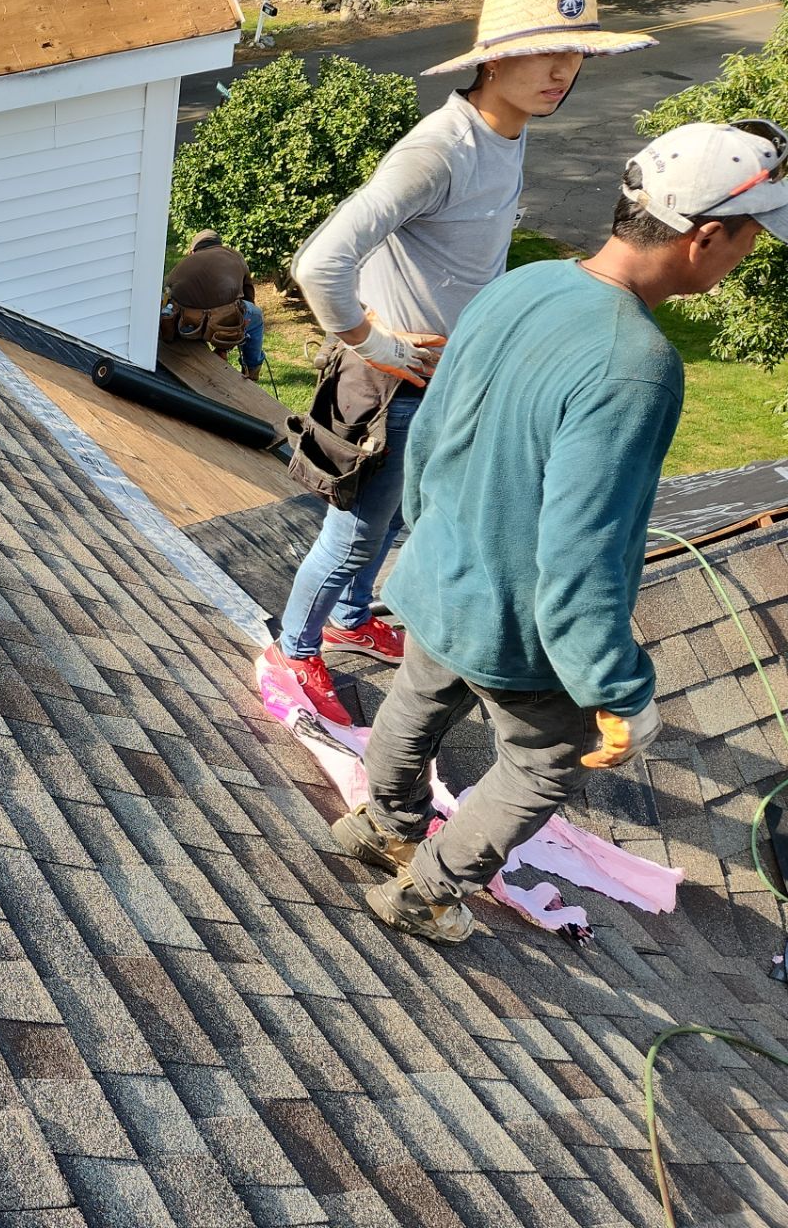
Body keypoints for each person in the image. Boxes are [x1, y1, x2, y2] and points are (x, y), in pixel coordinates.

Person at [328, 120, 787, 943]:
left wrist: (433, 544)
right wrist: (619, 694)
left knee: (416, 700)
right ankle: (425, 892)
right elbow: (583, 556)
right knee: (546, 760)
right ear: (707, 236)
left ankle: (381, 826)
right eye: (752, 236)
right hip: (517, 621)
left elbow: (430, 438)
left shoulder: (523, 284)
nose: (748, 254)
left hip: (438, 574)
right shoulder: (636, 365)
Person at [260, 0, 654, 726]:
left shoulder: (506, 136)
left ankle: (347, 620)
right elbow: (321, 263)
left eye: (575, 53)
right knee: (353, 533)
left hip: (442, 381)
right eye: (547, 52)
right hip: (388, 385)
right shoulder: (439, 148)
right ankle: (292, 653)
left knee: (396, 522)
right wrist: (375, 344)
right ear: (496, 58)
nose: (563, 71)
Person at [162, 229, 265, 380]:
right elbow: (248, 294)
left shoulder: (184, 262)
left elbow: (168, 293)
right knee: (256, 317)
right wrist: (243, 323)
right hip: (219, 320)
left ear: (193, 250)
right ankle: (251, 368)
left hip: (184, 322)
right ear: (219, 244)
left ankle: (219, 349)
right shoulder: (234, 256)